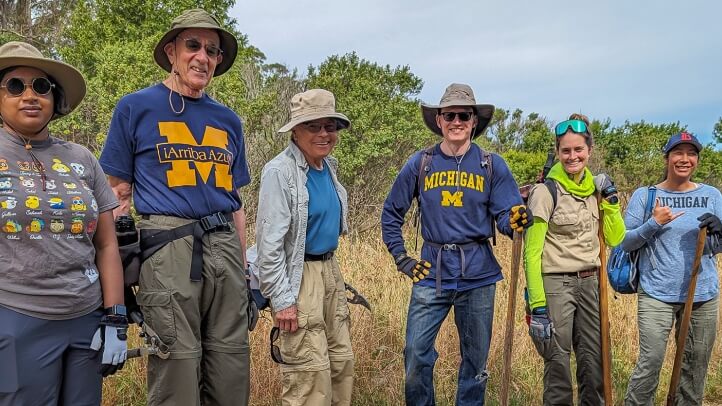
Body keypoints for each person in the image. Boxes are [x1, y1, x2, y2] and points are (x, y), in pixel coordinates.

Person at [98, 8, 251, 406]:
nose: (203, 56)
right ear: (171, 52)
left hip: (225, 247)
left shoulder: (228, 120)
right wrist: (119, 266)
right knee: (177, 367)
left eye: (213, 50)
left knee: (231, 365)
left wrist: (245, 268)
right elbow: (116, 193)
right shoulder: (136, 107)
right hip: (169, 245)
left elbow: (235, 201)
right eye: (193, 45)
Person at [381, 83, 531, 405]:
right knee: (415, 355)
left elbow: (505, 216)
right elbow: (392, 212)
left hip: (478, 275)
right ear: (439, 120)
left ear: (474, 121)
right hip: (430, 272)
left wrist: (515, 220)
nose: (457, 121)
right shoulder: (420, 163)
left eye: (464, 115)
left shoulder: (492, 165)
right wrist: (402, 258)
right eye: (450, 115)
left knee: (475, 364)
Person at [0, 41, 126, 405]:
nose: (29, 95)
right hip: (15, 317)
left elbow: (105, 244)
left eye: (41, 87)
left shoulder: (81, 158)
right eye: (15, 85)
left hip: (85, 318)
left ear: (55, 98)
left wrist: (115, 316)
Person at [254, 88, 354, 406]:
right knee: (309, 373)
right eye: (313, 125)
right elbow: (268, 244)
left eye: (330, 126)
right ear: (295, 130)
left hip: (329, 271)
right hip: (299, 277)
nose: (324, 133)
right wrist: (282, 299)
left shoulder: (328, 167)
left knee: (340, 363)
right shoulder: (280, 172)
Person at [522, 113, 625, 405]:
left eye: (578, 149)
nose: (572, 156)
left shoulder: (597, 189)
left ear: (589, 151)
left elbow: (616, 239)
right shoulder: (545, 191)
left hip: (591, 283)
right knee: (557, 365)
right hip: (556, 285)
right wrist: (538, 306)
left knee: (595, 364)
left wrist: (612, 203)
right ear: (558, 153)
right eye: (565, 150)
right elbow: (532, 253)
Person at [622, 132, 721, 405]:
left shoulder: (712, 195)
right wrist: (654, 223)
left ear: (697, 160)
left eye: (691, 154)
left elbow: (719, 245)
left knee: (695, 365)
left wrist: (719, 231)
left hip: (702, 294)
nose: (685, 159)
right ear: (667, 158)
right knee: (651, 361)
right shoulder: (646, 195)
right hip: (656, 293)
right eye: (678, 153)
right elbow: (625, 242)